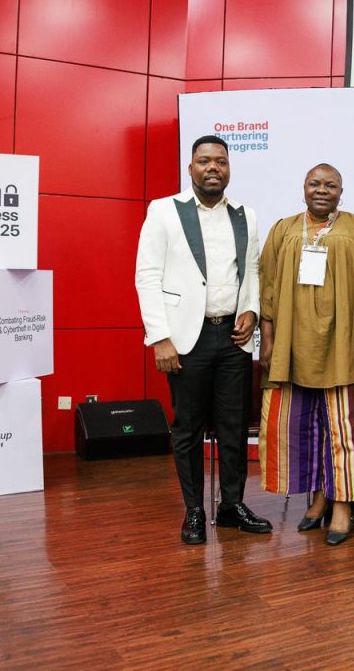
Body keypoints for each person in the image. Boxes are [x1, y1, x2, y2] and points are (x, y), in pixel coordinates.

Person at [135, 135, 272, 545]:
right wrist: (160, 338)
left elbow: (250, 272)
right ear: (190, 168)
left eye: (221, 162)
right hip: (184, 339)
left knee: (233, 429)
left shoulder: (245, 214)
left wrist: (250, 312)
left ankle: (231, 506)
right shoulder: (163, 211)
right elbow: (147, 277)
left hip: (232, 337)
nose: (213, 168)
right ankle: (195, 510)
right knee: (189, 429)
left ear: (230, 168)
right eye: (204, 161)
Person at [257, 163, 354, 546]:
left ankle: (342, 505)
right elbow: (268, 284)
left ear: (341, 192)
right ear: (304, 188)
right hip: (295, 341)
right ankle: (318, 497)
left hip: (345, 340)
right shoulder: (284, 228)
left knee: (345, 427)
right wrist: (268, 336)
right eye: (315, 183)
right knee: (304, 425)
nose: (322, 189)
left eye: (331, 185)